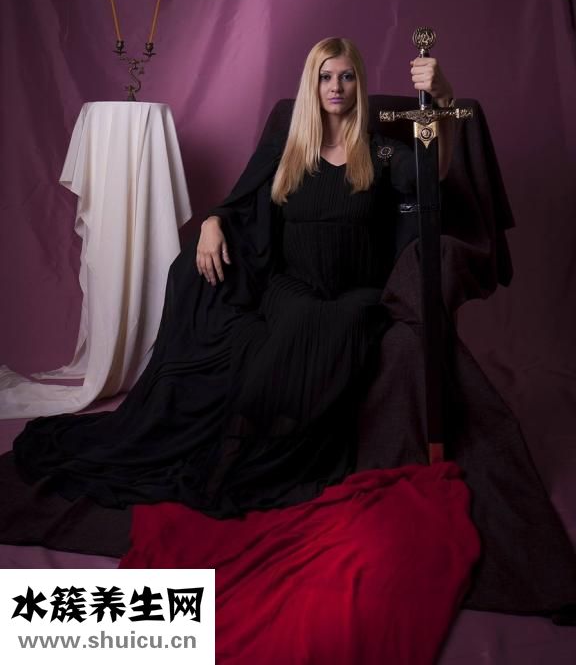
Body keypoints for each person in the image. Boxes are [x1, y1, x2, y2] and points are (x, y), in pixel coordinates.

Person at [4, 37, 576, 624]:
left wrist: (443, 98)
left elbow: (433, 175)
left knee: (332, 330)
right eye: (326, 77)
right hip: (291, 288)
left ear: (358, 85)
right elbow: (242, 205)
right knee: (279, 340)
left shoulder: (380, 152)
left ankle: (288, 463)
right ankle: (246, 456)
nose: (336, 87)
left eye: (346, 77)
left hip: (355, 296)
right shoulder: (290, 152)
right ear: (312, 85)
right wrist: (212, 223)